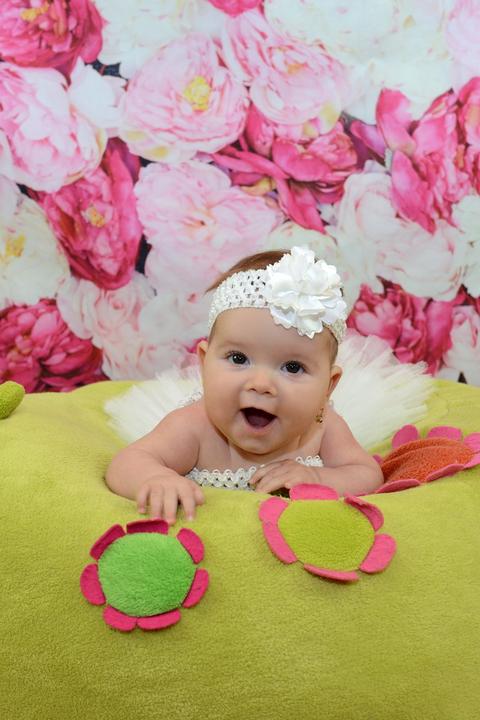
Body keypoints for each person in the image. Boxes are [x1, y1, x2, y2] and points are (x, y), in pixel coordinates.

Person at [105, 246, 384, 524]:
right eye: (239, 359)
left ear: (327, 387)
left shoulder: (322, 427)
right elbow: (127, 462)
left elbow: (366, 473)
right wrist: (157, 478)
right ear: (204, 363)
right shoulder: (194, 426)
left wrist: (318, 478)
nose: (261, 384)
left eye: (292, 367)